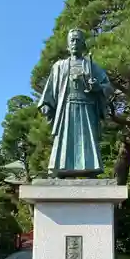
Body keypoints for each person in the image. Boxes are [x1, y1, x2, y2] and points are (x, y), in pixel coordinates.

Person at [38, 29, 113, 178]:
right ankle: (61, 169)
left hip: (87, 108)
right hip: (66, 108)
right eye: (71, 40)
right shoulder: (59, 66)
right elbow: (50, 88)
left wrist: (98, 87)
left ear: (83, 44)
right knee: (65, 138)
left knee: (87, 138)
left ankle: (91, 168)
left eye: (78, 40)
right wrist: (46, 104)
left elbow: (108, 87)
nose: (74, 43)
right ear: (67, 45)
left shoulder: (91, 65)